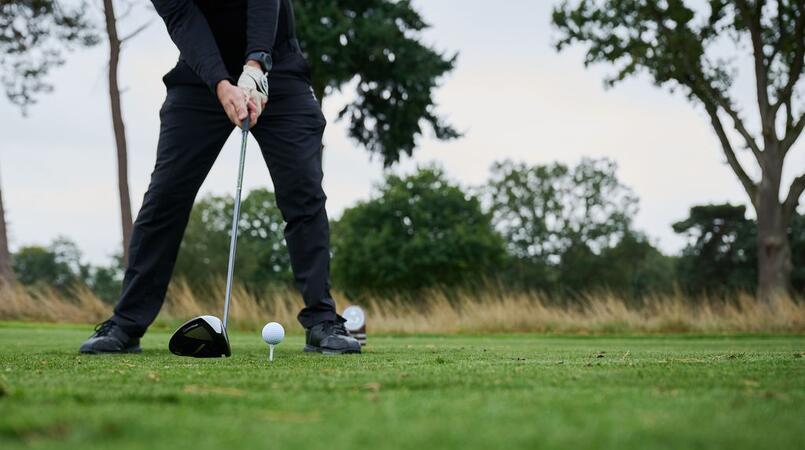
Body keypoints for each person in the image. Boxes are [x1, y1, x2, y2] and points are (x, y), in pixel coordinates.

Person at [80, 0, 360, 355]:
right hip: (199, 77)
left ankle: (322, 319)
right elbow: (183, 18)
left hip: (279, 69)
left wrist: (256, 65)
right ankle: (126, 322)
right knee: (165, 197)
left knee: (303, 191)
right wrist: (220, 83)